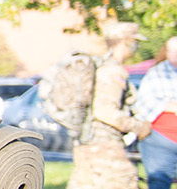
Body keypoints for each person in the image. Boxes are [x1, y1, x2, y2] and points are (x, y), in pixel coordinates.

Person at [70, 23, 150, 189]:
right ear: (124, 42)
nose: (136, 47)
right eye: (135, 42)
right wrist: (138, 126)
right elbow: (105, 111)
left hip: (90, 146)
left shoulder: (103, 66)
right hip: (105, 149)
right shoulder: (112, 71)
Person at [136, 37, 177, 189]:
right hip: (161, 140)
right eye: (172, 50)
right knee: (159, 181)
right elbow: (148, 103)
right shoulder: (157, 73)